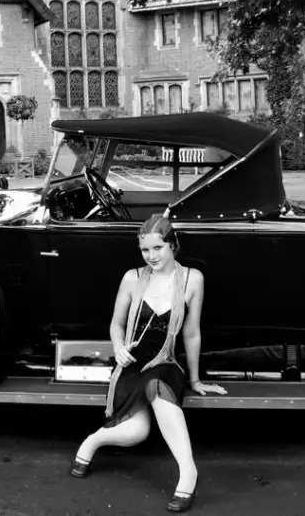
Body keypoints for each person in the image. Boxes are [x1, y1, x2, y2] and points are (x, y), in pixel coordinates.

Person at [69, 213, 227, 513]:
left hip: (165, 363)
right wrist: (118, 348)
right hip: (131, 366)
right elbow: (116, 325)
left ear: (173, 245)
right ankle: (92, 441)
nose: (151, 256)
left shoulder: (193, 278)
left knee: (157, 383)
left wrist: (195, 380)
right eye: (145, 250)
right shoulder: (133, 277)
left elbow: (192, 334)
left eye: (158, 248)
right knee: (136, 433)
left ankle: (188, 472)